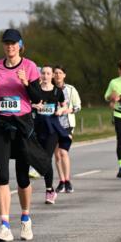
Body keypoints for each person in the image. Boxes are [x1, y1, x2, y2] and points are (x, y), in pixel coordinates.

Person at [0, 28, 46, 242]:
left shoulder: (30, 66)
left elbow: (37, 97)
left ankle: (26, 219)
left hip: (23, 124)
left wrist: (26, 83)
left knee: (22, 177)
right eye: (6, 43)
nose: (10, 47)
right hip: (1, 123)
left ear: (20, 44)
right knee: (1, 175)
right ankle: (4, 225)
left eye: (13, 43)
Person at [31, 65, 69, 204]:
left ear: (52, 75)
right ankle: (46, 186)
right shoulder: (35, 90)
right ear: (40, 75)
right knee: (38, 158)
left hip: (52, 130)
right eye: (43, 73)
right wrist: (34, 106)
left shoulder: (57, 91)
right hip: (37, 129)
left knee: (47, 159)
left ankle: (49, 190)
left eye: (48, 73)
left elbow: (65, 105)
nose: (45, 76)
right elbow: (27, 104)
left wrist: (61, 110)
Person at [52, 65, 81, 194]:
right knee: (57, 154)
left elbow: (78, 106)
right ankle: (61, 181)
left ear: (64, 75)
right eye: (56, 73)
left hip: (67, 124)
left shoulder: (70, 89)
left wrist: (70, 110)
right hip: (52, 124)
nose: (57, 75)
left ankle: (68, 180)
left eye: (60, 73)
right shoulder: (49, 89)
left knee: (64, 152)